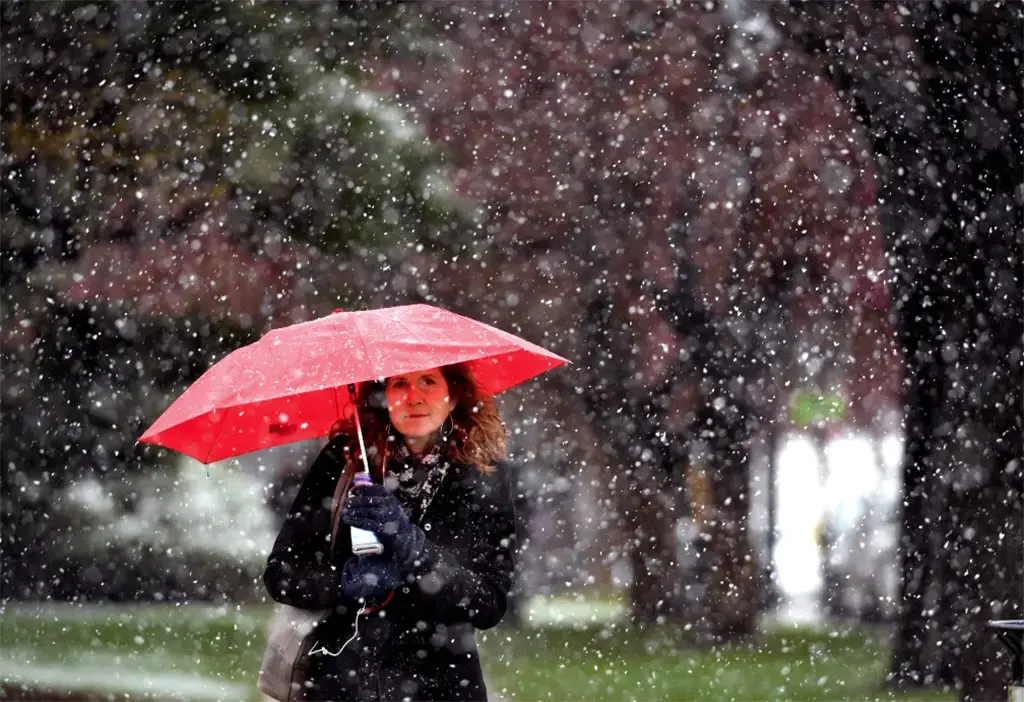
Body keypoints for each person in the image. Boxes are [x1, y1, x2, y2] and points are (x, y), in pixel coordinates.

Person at [263, 363, 516, 701]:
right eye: (400, 384)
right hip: (341, 682)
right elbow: (281, 573)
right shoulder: (345, 460)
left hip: (441, 687)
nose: (414, 397)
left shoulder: (481, 474)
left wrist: (412, 547)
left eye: (428, 381)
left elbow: (488, 604)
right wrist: (343, 584)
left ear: (453, 395)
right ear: (382, 397)